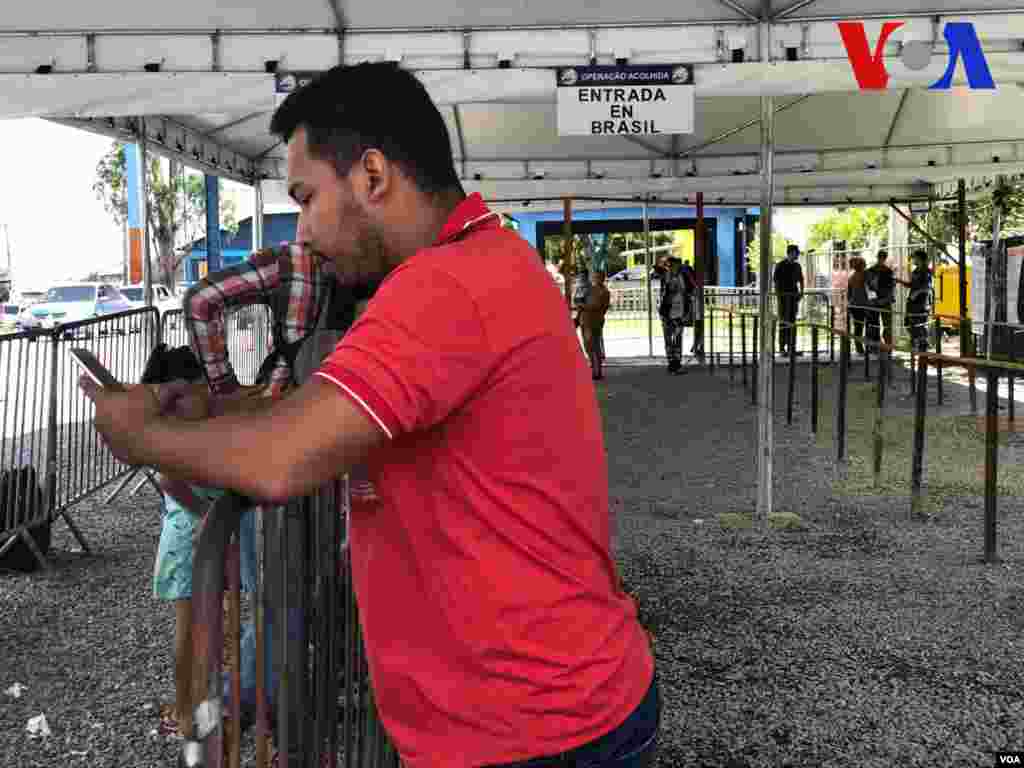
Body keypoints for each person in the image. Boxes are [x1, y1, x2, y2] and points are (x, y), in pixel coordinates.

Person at [83, 62, 659, 768]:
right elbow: (321, 413)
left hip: (531, 731)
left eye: (307, 196)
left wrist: (144, 434)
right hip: (537, 716)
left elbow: (283, 455)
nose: (303, 231)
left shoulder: (444, 288)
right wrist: (210, 409)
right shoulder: (481, 262)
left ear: (374, 175)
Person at [773, 244, 804, 355]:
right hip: (783, 298)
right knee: (783, 322)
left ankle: (792, 347)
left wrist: (801, 292)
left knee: (792, 322)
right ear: (791, 253)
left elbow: (801, 279)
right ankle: (782, 348)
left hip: (793, 298)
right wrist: (779, 296)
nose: (798, 254)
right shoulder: (780, 265)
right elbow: (776, 281)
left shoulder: (797, 266)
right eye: (797, 252)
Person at [580, 269, 611, 380]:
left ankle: (597, 371)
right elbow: (581, 301)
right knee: (587, 346)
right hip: (585, 320)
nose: (596, 279)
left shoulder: (604, 292)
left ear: (602, 278)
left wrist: (584, 307)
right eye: (594, 276)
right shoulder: (589, 289)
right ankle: (593, 367)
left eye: (598, 277)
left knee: (594, 346)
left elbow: (599, 307)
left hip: (595, 321)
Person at [900, 249, 932, 352]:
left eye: (915, 257)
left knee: (919, 325)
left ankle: (923, 347)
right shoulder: (915, 271)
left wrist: (917, 293)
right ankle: (915, 345)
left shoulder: (926, 271)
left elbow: (927, 287)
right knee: (909, 324)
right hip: (911, 303)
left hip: (921, 304)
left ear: (920, 258)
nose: (913, 259)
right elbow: (912, 284)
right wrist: (900, 281)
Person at [865, 249, 896, 347]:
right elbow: (869, 286)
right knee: (876, 325)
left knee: (882, 325)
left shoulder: (886, 271)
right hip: (879, 300)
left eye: (882, 258)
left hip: (881, 300)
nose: (881, 260)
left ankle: (885, 346)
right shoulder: (872, 271)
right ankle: (880, 346)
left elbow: (891, 287)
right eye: (881, 257)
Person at [847, 255, 869, 354]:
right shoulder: (865, 275)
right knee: (868, 326)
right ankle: (866, 348)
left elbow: (849, 294)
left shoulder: (851, 277)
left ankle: (859, 348)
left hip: (853, 305)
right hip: (863, 305)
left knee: (858, 327)